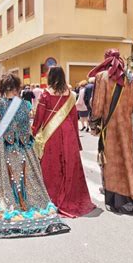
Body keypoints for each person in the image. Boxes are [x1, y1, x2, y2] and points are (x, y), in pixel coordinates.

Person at [0, 73, 70, 238]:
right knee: (28, 176)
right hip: (24, 146)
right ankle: (28, 204)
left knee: (9, 177)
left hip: (6, 146)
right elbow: (28, 126)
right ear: (16, 87)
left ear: (3, 88)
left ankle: (14, 203)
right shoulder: (24, 105)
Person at [89, 49, 133, 219]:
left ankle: (114, 197)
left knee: (110, 161)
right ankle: (130, 192)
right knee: (126, 159)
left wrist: (93, 123)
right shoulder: (131, 77)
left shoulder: (102, 77)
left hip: (109, 126)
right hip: (124, 126)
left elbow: (97, 105)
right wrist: (124, 108)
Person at [32, 67, 95, 218]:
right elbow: (74, 117)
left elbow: (39, 116)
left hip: (51, 133)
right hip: (68, 132)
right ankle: (70, 196)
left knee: (51, 165)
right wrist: (76, 139)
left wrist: (34, 132)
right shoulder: (70, 94)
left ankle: (51, 197)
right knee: (69, 164)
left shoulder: (46, 94)